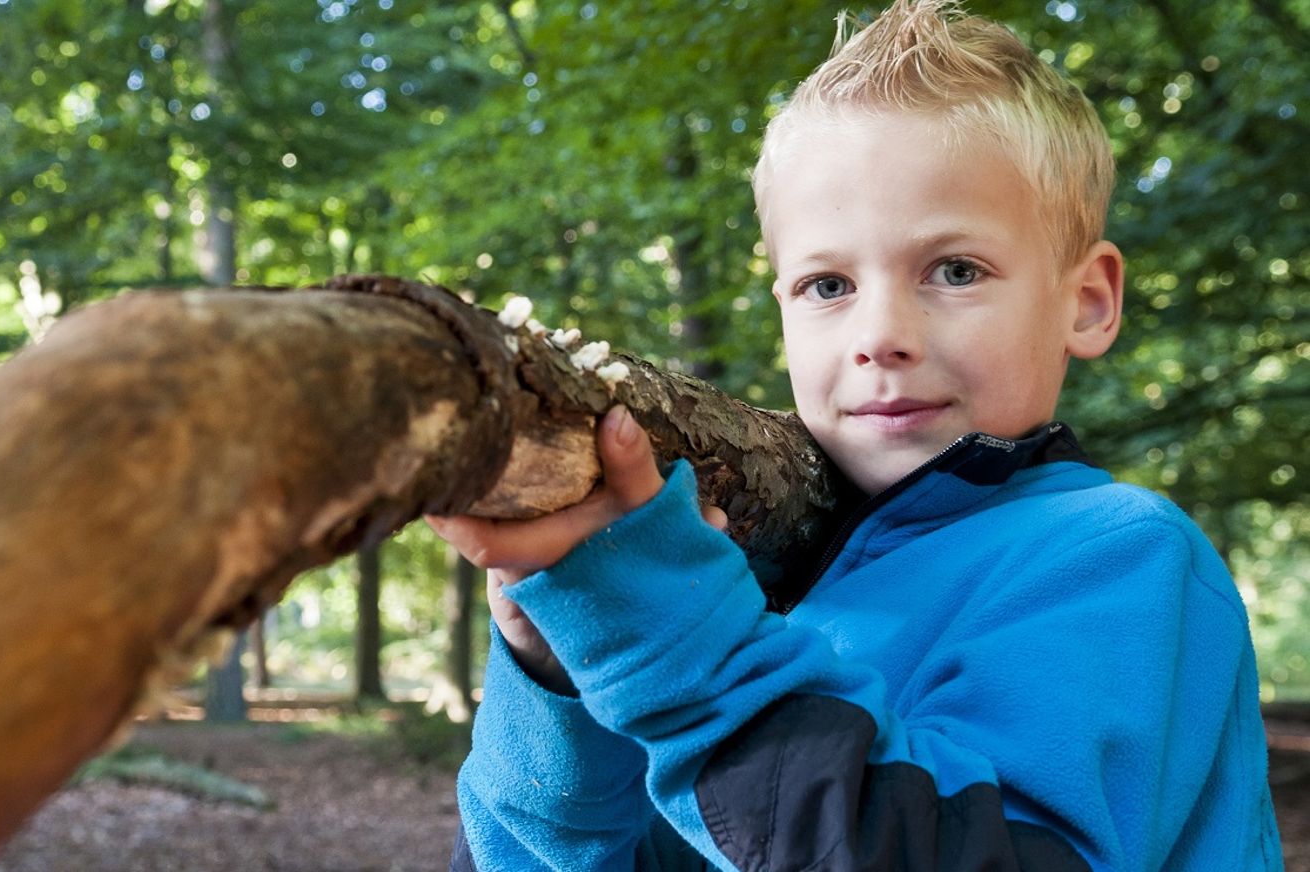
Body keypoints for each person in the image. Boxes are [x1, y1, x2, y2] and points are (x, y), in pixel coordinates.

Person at [426, 1, 1285, 868]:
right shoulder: (751, 589)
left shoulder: (1124, 558)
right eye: (829, 286)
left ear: (1087, 301)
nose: (881, 335)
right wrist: (559, 682)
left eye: (956, 271)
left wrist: (677, 641)